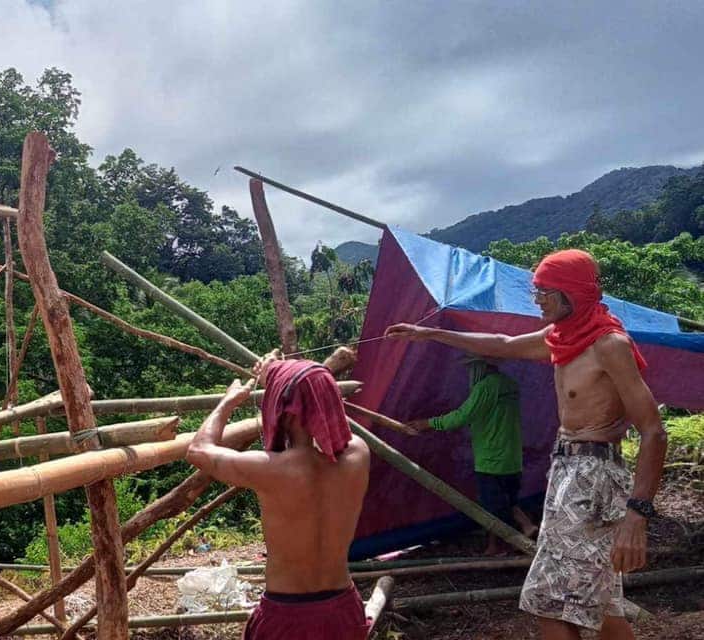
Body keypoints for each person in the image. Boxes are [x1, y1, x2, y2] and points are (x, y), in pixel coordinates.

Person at [387, 249, 666, 639]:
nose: (536, 302)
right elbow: (501, 342)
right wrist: (431, 333)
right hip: (569, 470)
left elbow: (654, 430)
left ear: (571, 294)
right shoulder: (563, 337)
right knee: (601, 602)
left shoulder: (608, 345)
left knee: (547, 601)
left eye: (544, 293)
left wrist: (637, 515)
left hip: (591, 476)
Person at [186, 357, 372, 640]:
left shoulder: (269, 469)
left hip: (286, 616)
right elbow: (327, 419)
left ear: (281, 409)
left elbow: (198, 450)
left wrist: (229, 401)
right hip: (343, 610)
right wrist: (277, 377)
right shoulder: (359, 455)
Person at [404, 358, 538, 555]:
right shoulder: (509, 384)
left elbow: (462, 416)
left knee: (494, 508)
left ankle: (511, 536)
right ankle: (508, 537)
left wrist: (428, 423)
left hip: (491, 458)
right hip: (512, 456)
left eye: (471, 367)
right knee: (504, 501)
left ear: (480, 365)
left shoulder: (485, 387)